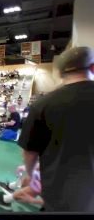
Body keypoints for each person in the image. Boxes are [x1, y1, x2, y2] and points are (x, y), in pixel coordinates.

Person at [18, 47, 94, 211]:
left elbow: (29, 153)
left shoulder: (42, 105)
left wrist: (32, 176)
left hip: (58, 196)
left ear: (60, 73)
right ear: (93, 67)